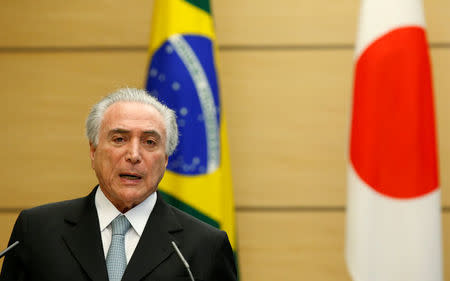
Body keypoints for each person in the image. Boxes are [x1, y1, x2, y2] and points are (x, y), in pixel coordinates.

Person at [0, 88, 237, 281]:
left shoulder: (206, 246)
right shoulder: (37, 231)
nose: (134, 154)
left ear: (165, 161)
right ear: (93, 151)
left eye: (150, 141)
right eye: (119, 139)